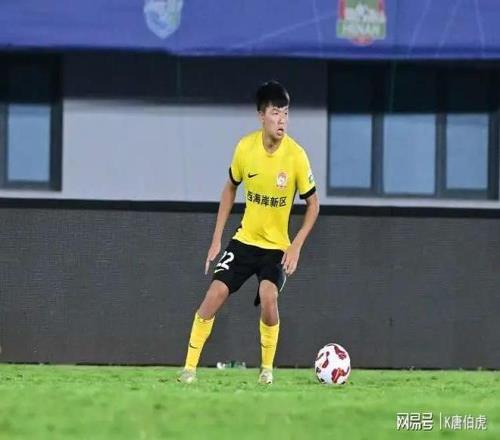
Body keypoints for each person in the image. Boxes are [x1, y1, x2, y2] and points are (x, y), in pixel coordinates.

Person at [178, 80, 319, 384]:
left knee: (268, 296)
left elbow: (313, 204)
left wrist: (296, 245)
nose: (282, 120)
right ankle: (188, 370)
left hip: (276, 247)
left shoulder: (296, 156)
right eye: (275, 113)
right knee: (214, 294)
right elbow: (230, 188)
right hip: (244, 241)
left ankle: (266, 370)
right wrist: (216, 239)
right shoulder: (245, 148)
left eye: (286, 113)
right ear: (261, 115)